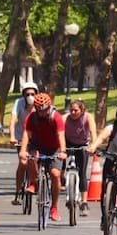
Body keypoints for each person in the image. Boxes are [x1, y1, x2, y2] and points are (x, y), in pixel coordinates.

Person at [19, 92, 67, 222]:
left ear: (49, 107)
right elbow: (26, 135)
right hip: (37, 145)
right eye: (39, 110)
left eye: (44, 110)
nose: (42, 113)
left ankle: (54, 207)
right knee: (31, 157)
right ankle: (34, 182)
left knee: (55, 174)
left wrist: (62, 151)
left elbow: (61, 136)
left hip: (54, 147)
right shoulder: (32, 117)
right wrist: (23, 151)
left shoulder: (55, 117)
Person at [63, 99, 97, 216]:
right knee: (60, 158)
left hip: (82, 145)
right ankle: (63, 180)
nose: (73, 112)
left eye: (76, 110)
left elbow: (93, 132)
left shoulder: (88, 117)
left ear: (82, 110)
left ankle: (84, 202)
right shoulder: (65, 118)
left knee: (82, 173)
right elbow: (58, 132)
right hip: (67, 143)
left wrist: (93, 146)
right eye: (71, 110)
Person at [9, 82, 38, 205]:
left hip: (37, 138)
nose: (30, 96)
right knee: (22, 163)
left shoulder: (40, 104)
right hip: (22, 137)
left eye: (33, 94)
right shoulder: (18, 103)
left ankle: (35, 183)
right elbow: (12, 120)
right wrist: (12, 136)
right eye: (27, 94)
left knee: (36, 161)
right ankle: (17, 192)